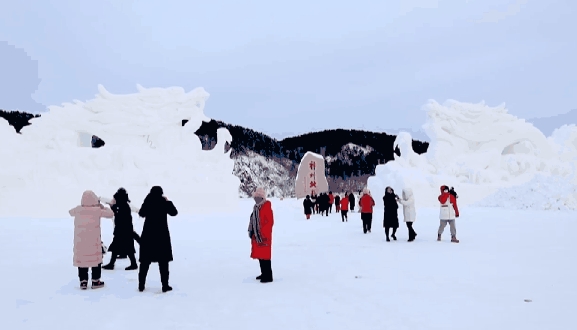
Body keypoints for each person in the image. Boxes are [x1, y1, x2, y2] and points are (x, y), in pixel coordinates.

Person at [69, 190, 114, 290]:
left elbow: (70, 212)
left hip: (80, 243)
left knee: (82, 261)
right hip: (94, 242)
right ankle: (95, 281)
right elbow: (111, 214)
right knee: (95, 260)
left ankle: (83, 282)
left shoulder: (78, 209)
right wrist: (102, 207)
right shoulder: (97, 210)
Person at [137, 186, 178, 292]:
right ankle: (165, 285)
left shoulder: (148, 201)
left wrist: (146, 200)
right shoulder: (163, 202)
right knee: (163, 262)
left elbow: (141, 213)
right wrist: (168, 201)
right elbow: (174, 212)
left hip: (148, 235)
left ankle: (141, 285)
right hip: (161, 235)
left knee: (145, 262)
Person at [103, 188, 138, 270]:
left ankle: (112, 264)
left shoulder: (123, 206)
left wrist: (112, 207)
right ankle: (132, 264)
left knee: (119, 247)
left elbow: (119, 215)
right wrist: (113, 207)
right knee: (127, 248)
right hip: (125, 230)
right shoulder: (124, 205)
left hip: (122, 231)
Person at [248, 187, 275, 283]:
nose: (256, 200)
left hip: (264, 237)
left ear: (263, 198)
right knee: (260, 256)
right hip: (257, 237)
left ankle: (268, 276)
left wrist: (263, 234)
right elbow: (253, 220)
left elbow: (269, 223)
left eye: (258, 198)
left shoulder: (266, 208)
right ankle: (264, 273)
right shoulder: (256, 208)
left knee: (265, 258)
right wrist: (252, 232)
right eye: (255, 198)